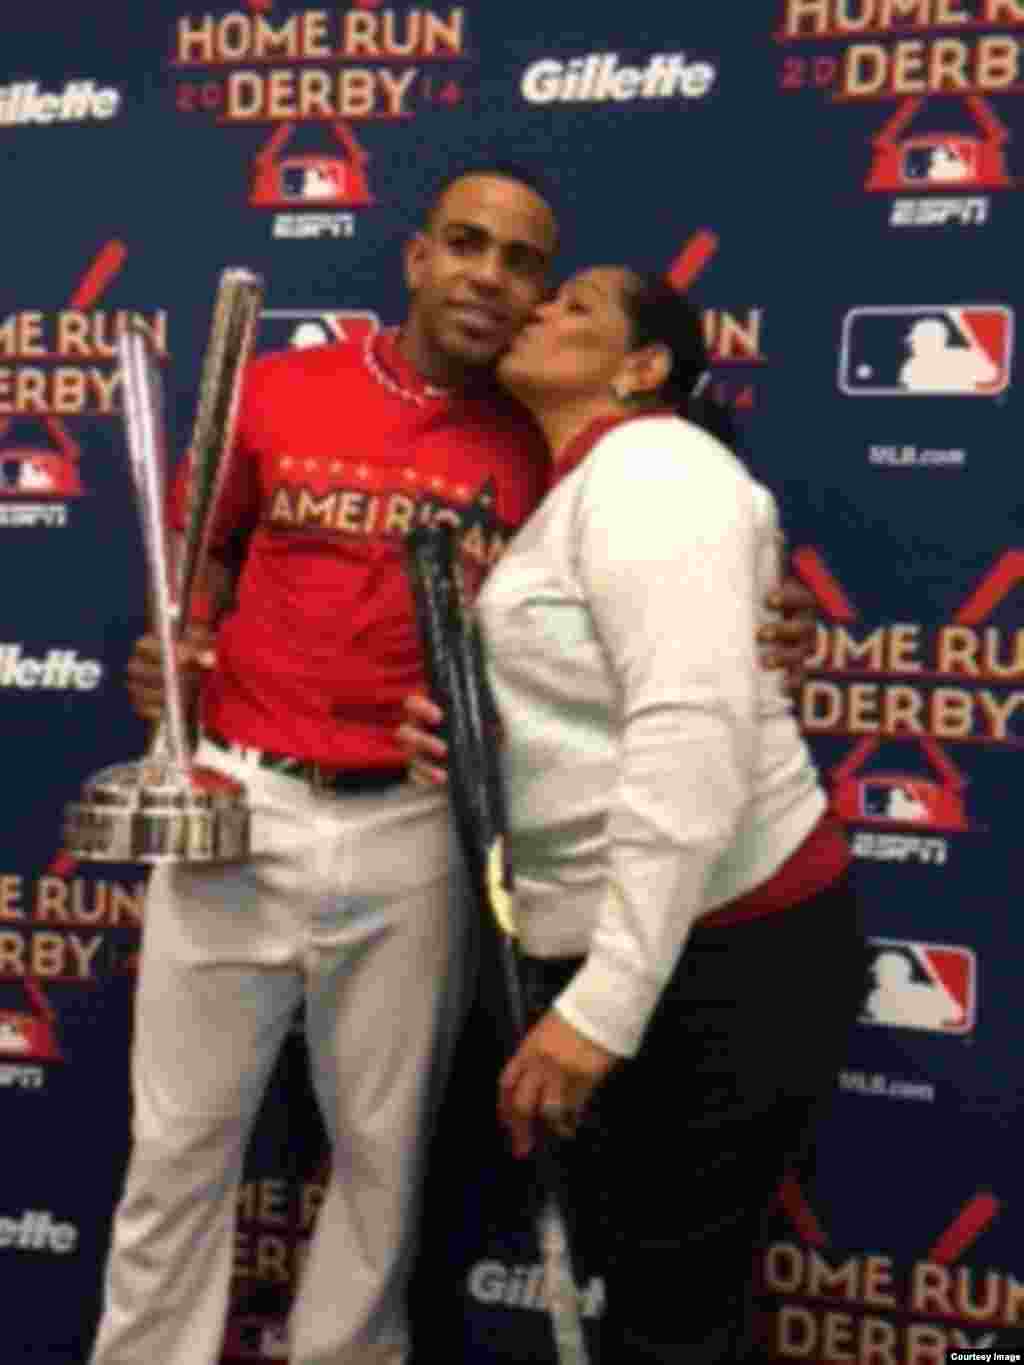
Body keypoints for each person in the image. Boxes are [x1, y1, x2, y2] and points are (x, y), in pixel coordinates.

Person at [95, 166, 816, 1365]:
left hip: (419, 827)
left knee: (382, 1157)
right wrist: (174, 649)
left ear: (539, 292)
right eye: (467, 244)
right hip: (239, 799)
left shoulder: (546, 436)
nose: (490, 274)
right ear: (418, 258)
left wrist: (767, 610)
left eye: (523, 261)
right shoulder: (279, 390)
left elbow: (661, 573)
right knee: (177, 1146)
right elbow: (202, 563)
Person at [402, 267, 865, 1362]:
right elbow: (596, 715)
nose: (535, 312)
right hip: (656, 942)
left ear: (642, 367)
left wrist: (603, 1008)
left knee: (668, 1321)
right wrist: (479, 737)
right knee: (656, 1303)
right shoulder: (583, 488)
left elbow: (686, 739)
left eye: (572, 308)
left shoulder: (656, 471)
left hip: (727, 951)